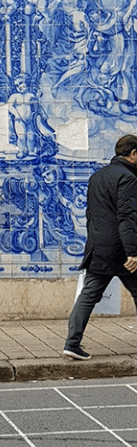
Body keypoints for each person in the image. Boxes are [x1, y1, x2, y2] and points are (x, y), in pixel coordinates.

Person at [63, 134, 137, 361]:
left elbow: (91, 215)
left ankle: (71, 344)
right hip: (122, 250)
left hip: (99, 248)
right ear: (133, 154)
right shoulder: (128, 178)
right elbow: (127, 216)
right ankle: (72, 344)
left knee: (88, 295)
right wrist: (132, 251)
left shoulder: (97, 177)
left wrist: (94, 243)